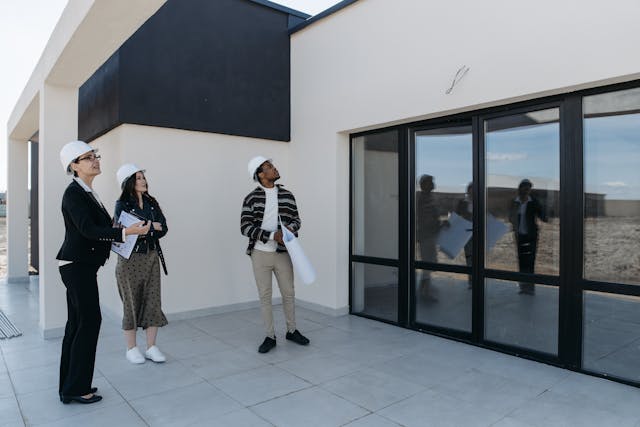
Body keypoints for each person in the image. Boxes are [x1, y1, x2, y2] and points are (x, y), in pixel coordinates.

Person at [57, 141, 149, 404]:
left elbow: (100, 227)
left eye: (95, 156)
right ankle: (76, 388)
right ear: (74, 165)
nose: (95, 161)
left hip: (81, 266)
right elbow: (88, 230)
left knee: (77, 326)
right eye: (88, 158)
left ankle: (71, 386)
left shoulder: (87, 192)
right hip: (76, 267)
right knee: (88, 323)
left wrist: (120, 228)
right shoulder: (74, 193)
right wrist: (125, 232)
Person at [240, 156, 310, 353]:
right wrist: (272, 235)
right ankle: (270, 336)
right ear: (261, 175)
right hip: (260, 253)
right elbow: (245, 227)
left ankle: (292, 330)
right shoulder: (251, 198)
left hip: (283, 253)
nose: (275, 169)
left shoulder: (287, 195)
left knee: (289, 293)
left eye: (273, 166)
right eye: (269, 167)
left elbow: (297, 220)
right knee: (265, 296)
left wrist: (289, 230)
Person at [114, 164, 169, 364]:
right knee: (131, 302)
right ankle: (131, 348)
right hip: (130, 260)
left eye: (143, 177)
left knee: (153, 301)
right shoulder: (122, 204)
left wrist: (147, 229)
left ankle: (151, 347)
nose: (143, 181)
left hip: (152, 256)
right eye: (138, 178)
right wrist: (151, 227)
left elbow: (164, 227)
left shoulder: (151, 202)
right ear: (129, 182)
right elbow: (125, 230)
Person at [508, 179, 548, 295]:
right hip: (519, 236)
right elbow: (510, 217)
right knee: (521, 261)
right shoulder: (514, 202)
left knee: (530, 262)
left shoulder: (534, 202)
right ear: (520, 189)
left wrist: (545, 209)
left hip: (531, 236)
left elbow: (543, 217)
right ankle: (522, 287)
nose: (526, 191)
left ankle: (530, 288)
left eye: (528, 189)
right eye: (524, 188)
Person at [416, 174, 445, 300]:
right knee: (427, 263)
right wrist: (440, 225)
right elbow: (427, 221)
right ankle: (426, 293)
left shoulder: (427, 198)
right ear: (425, 184)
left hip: (428, 235)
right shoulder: (423, 200)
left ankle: (422, 289)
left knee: (428, 263)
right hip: (426, 236)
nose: (433, 184)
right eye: (431, 182)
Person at [455, 182, 473, 289]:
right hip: (466, 233)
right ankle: (471, 281)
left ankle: (478, 279)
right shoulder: (462, 202)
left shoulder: (481, 200)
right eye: (471, 189)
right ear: (468, 190)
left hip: (478, 234)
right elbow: (457, 215)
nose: (472, 191)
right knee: (469, 257)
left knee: (478, 258)